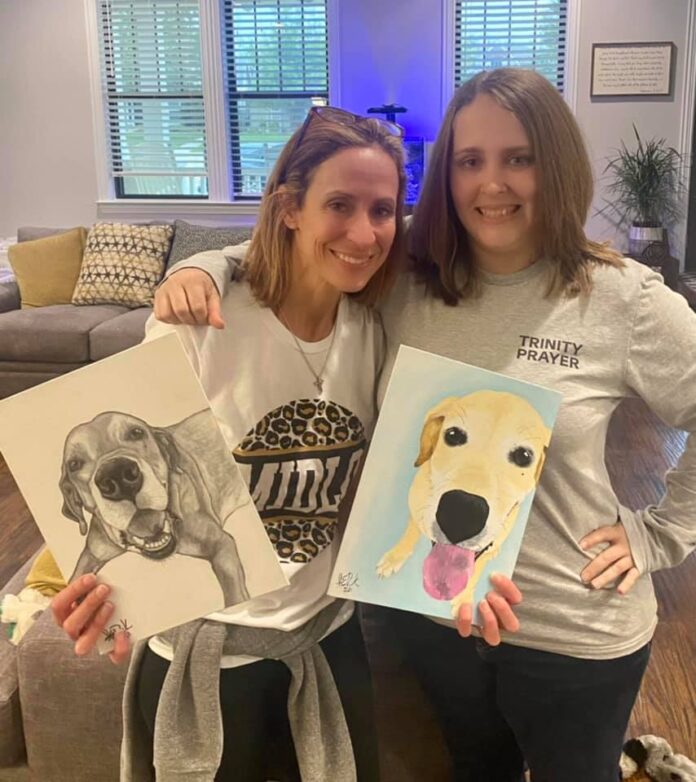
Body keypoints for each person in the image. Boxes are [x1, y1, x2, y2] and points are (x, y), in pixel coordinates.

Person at [152, 68, 696, 782]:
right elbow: (317, 245)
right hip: (436, 618)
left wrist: (661, 533)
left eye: (518, 158)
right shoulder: (408, 277)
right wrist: (205, 264)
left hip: (572, 626)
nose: (490, 184)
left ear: (556, 166)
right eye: (470, 161)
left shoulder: (620, 299)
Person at [51, 104, 522, 782]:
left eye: (383, 210)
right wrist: (101, 594)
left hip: (326, 642)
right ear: (289, 207)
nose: (364, 232)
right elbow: (116, 499)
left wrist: (469, 577)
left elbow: (399, 485)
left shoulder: (374, 329)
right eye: (340, 204)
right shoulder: (196, 328)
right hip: (205, 657)